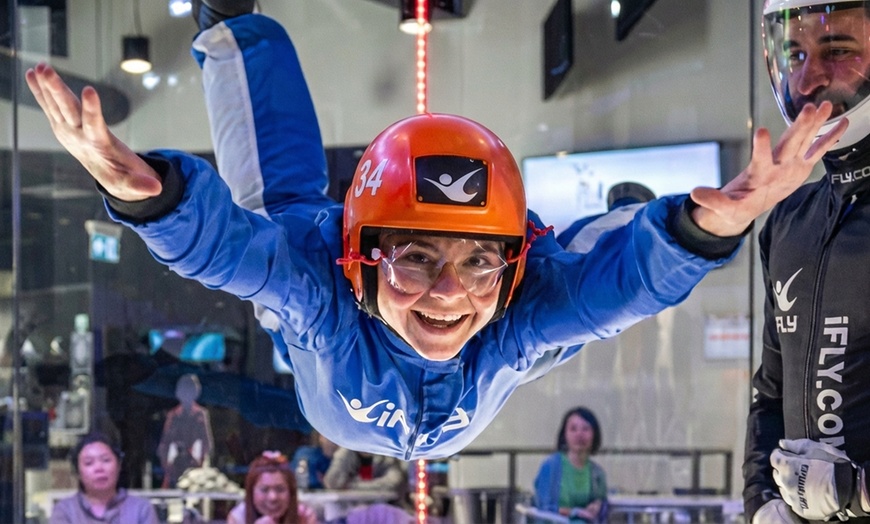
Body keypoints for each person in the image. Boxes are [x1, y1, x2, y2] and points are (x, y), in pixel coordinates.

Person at [24, 0, 846, 461]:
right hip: (331, 334)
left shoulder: (519, 303)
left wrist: (713, 221)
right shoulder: (322, 283)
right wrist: (148, 195)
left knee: (578, 286)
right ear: (364, 263)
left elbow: (624, 281)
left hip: (470, 348)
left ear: (508, 264)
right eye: (417, 260)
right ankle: (233, 22)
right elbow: (227, 252)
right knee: (283, 211)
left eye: (478, 261)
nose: (450, 294)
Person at [743, 1, 870, 523]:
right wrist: (761, 503)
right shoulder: (787, 222)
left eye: (837, 50)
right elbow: (770, 391)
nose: (808, 76)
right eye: (793, 53)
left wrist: (859, 492)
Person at [49, 432, 159, 524]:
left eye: (106, 460)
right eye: (89, 463)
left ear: (118, 465)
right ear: (78, 472)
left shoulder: (141, 509)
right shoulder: (65, 511)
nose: (99, 468)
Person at [533, 407, 607, 523]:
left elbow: (602, 504)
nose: (579, 434)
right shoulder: (550, 466)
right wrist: (575, 512)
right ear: (564, 434)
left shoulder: (597, 473)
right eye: (573, 429)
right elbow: (544, 508)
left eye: (585, 429)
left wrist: (597, 505)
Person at [227, 451, 317, 524]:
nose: (273, 497)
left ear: (291, 492)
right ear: (251, 492)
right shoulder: (238, 518)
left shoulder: (305, 516)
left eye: (280, 489)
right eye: (264, 490)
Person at [156, 373, 213, 488]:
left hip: (196, 466)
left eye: (190, 390)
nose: (187, 394)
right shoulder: (173, 415)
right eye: (184, 390)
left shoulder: (201, 414)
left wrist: (201, 463)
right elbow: (164, 443)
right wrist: (167, 465)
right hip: (175, 465)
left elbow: (207, 443)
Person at [322, 448, 407, 494]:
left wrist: (354, 486)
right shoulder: (346, 454)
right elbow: (332, 483)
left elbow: (395, 482)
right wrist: (344, 453)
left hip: (384, 507)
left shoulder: (386, 454)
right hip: (348, 509)